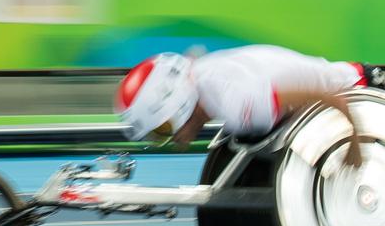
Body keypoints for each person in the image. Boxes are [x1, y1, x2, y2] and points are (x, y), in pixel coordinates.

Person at [114, 45, 383, 168]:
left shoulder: (239, 103)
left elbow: (330, 98)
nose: (172, 141)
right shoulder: (203, 77)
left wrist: (356, 148)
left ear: (178, 105)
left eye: (163, 130)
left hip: (364, 88)